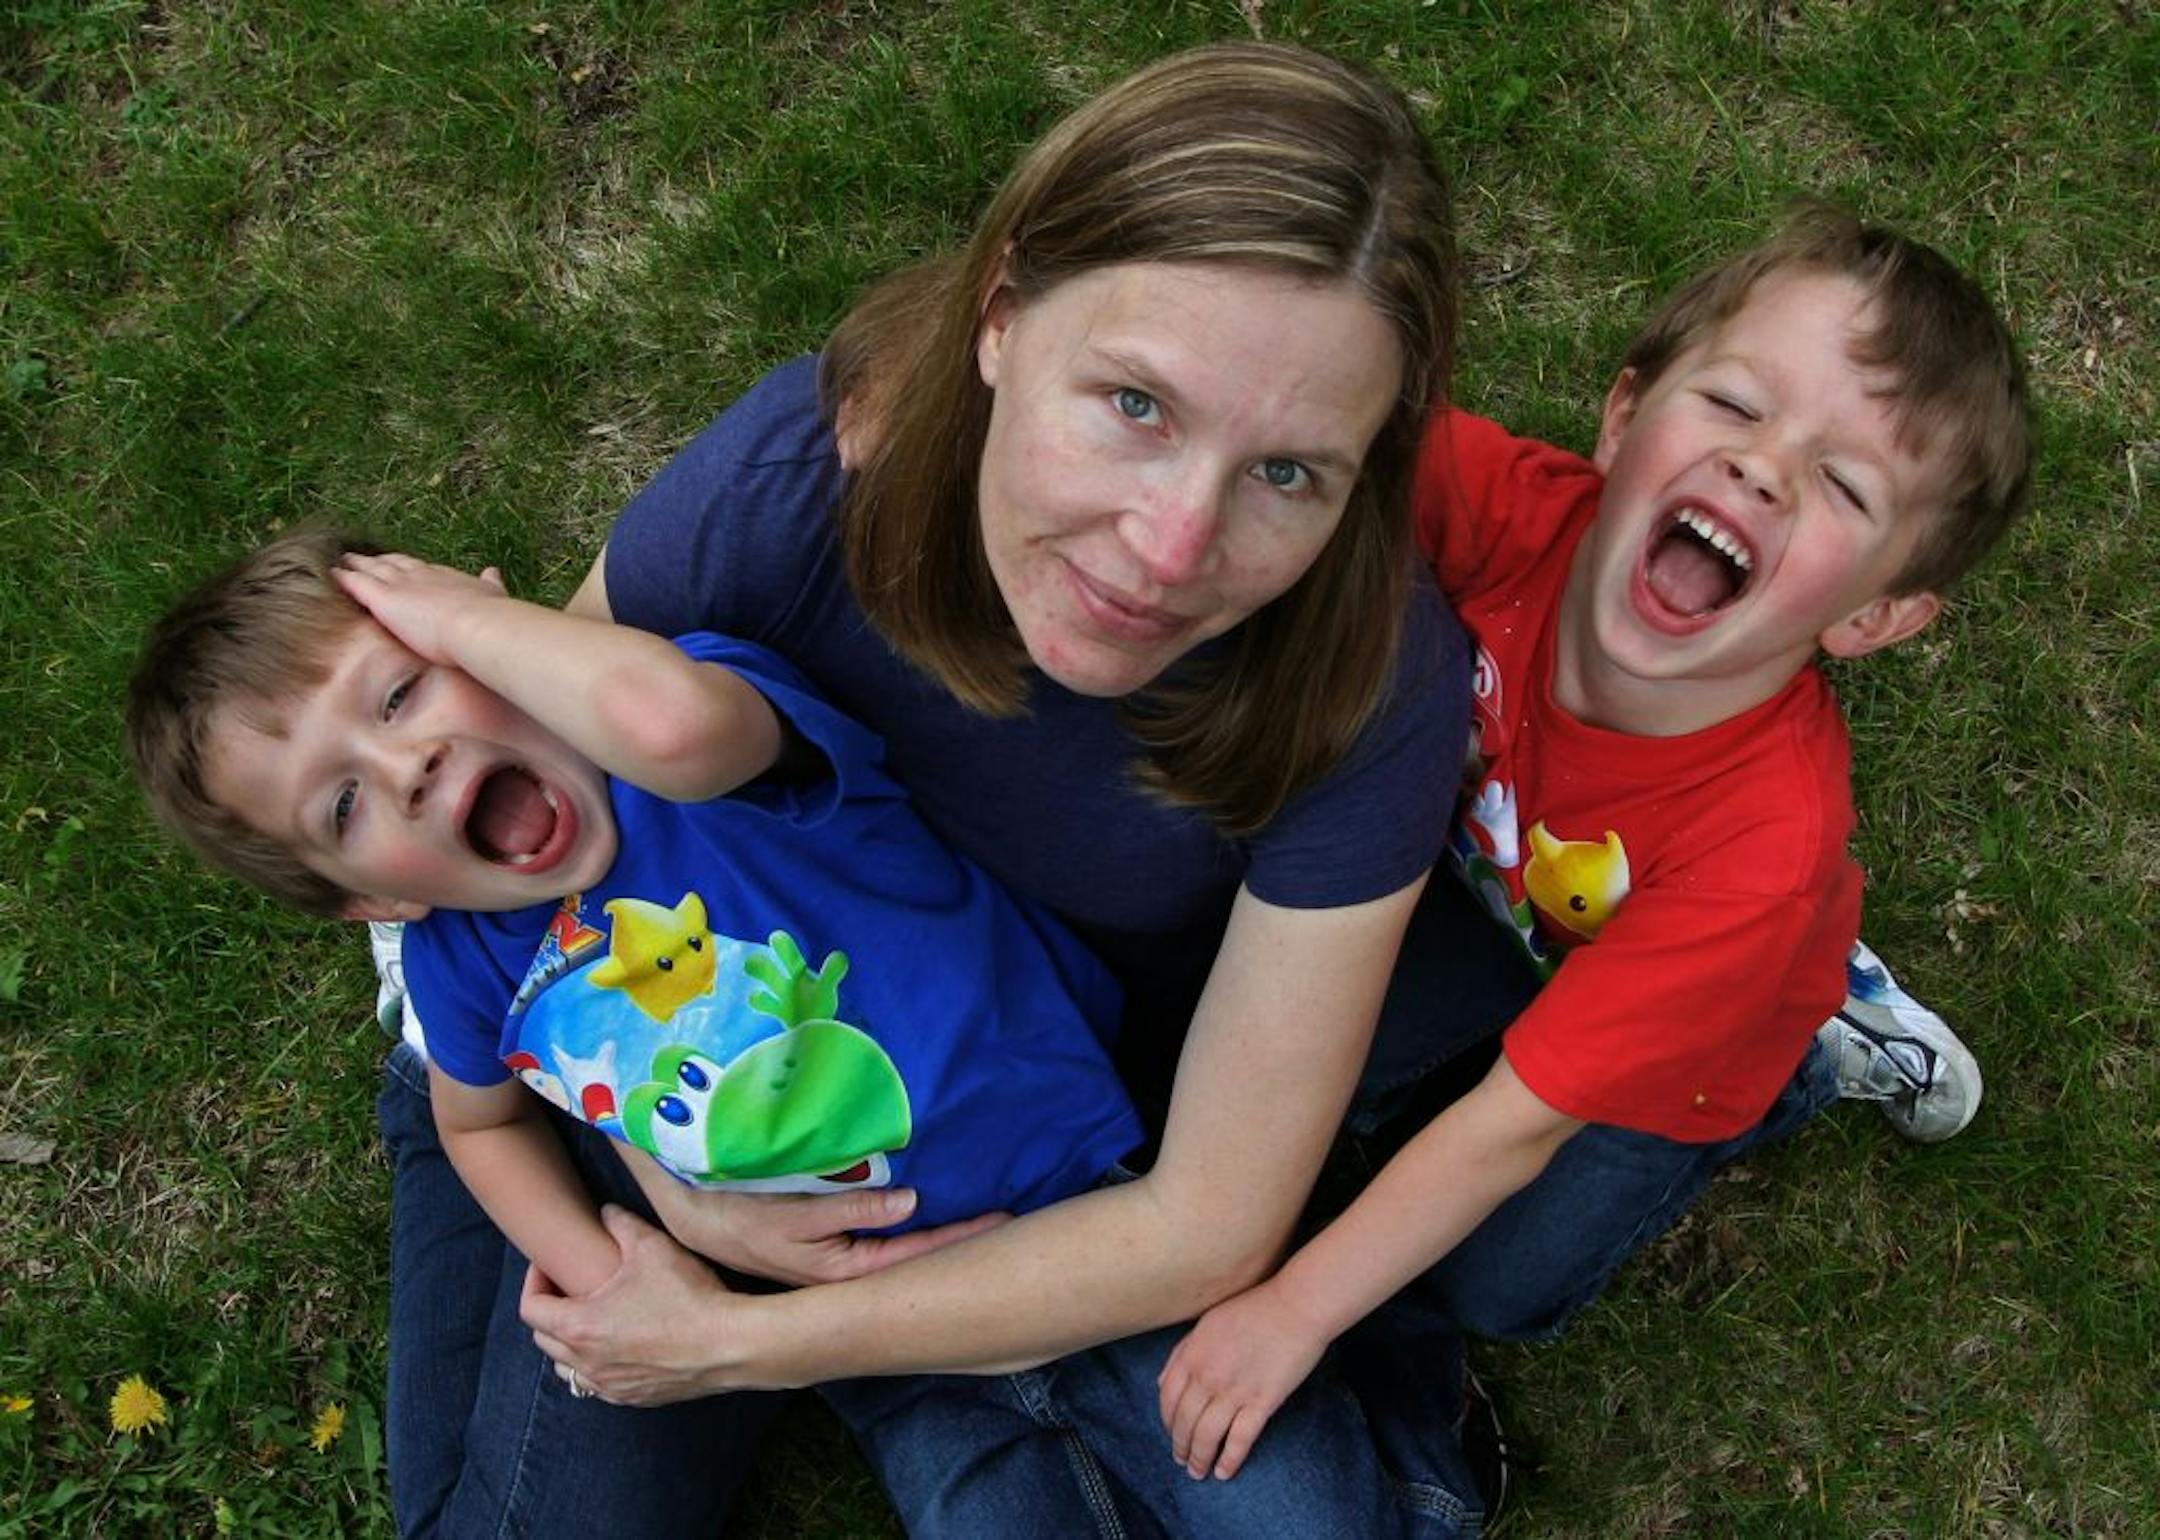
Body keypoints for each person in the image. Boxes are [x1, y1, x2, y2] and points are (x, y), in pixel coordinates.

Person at [351, 40, 1482, 1538]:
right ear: (1002, 316)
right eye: (1135, 404)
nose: (1168, 548)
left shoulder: (1368, 684)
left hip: (1000, 1107)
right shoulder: (794, 486)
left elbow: (1209, 1221)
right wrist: (669, 1177)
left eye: (1288, 474)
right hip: (643, 1025)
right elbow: (571, 774)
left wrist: (746, 1344)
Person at [1155, 203, 2033, 1481]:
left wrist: (1292, 1311)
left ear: (1875, 616)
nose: (1763, 469)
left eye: (1845, 485)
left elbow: (1509, 1129)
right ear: (1624, 418)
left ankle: (1819, 1048)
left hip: (1703, 1035)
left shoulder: (1762, 851)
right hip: (1505, 899)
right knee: (1304, 1061)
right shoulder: (1510, 512)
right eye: (1734, 403)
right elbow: (1319, 430)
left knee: (1492, 1285)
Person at [125, 532, 1145, 1307]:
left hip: (1091, 1175)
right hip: (862, 1313)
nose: (408, 766)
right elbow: (478, 1123)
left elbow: (679, 725)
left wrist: (477, 625)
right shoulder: (458, 962)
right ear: (375, 903)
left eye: (401, 692)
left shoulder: (680, 749)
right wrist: (613, 1276)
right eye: (343, 805)